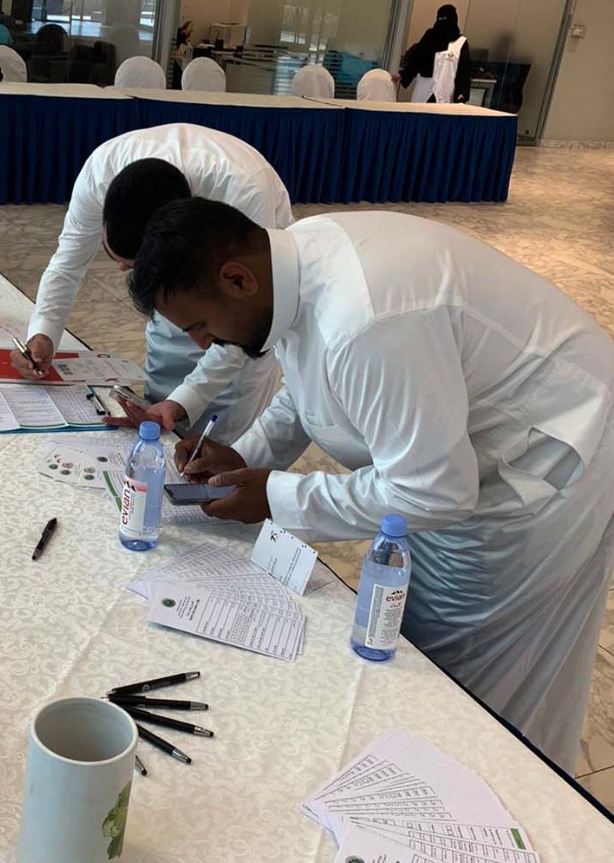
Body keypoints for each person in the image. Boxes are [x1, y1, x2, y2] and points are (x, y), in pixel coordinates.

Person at [129, 198, 614, 773]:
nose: (202, 345)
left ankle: (496, 787)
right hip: (466, 452)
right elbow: (308, 387)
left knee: (463, 671)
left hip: (542, 457)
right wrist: (246, 460)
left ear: (238, 279)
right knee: (422, 636)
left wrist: (275, 495)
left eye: (199, 326)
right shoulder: (291, 265)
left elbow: (434, 492)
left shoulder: (367, 321)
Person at [11, 125, 294, 444]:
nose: (122, 269)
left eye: (134, 266)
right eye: (116, 257)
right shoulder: (100, 175)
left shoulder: (243, 188)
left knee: (220, 444)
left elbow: (243, 320)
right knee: (158, 418)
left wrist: (186, 398)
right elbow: (67, 264)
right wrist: (44, 332)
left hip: (239, 323)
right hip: (180, 302)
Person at [398, 4, 471, 104]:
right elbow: (416, 60)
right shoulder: (429, 37)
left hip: (445, 94)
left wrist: (462, 93)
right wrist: (403, 76)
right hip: (423, 92)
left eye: (446, 19)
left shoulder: (460, 43)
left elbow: (464, 71)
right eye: (440, 19)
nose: (443, 23)